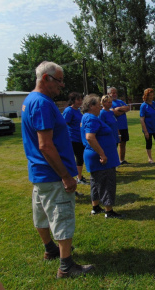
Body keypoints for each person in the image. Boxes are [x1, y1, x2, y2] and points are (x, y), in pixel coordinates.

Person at [21, 61, 94, 278]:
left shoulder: (30, 100)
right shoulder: (42, 103)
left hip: (39, 173)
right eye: (59, 80)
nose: (62, 85)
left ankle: (50, 249)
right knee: (62, 217)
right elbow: (45, 145)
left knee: (41, 215)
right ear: (46, 79)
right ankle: (66, 266)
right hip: (52, 175)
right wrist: (66, 176)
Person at [80, 94, 124, 219]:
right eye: (98, 104)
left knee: (96, 182)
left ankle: (95, 207)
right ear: (91, 106)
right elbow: (90, 137)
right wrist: (102, 154)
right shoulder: (91, 118)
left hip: (95, 157)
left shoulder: (88, 117)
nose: (100, 106)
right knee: (106, 182)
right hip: (100, 158)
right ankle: (109, 211)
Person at [62, 92, 87, 198]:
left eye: (81, 99)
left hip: (80, 138)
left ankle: (79, 177)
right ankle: (72, 180)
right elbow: (63, 125)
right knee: (72, 160)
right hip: (72, 139)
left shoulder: (78, 111)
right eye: (78, 99)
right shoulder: (69, 110)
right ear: (73, 100)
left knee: (80, 158)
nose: (80, 101)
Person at [108, 87, 130, 165]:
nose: (114, 94)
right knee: (115, 144)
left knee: (123, 143)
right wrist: (122, 111)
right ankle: (114, 161)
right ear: (109, 94)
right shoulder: (108, 103)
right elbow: (114, 113)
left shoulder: (120, 101)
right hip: (116, 127)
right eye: (113, 93)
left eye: (115, 93)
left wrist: (118, 108)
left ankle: (122, 160)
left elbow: (128, 108)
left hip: (124, 126)